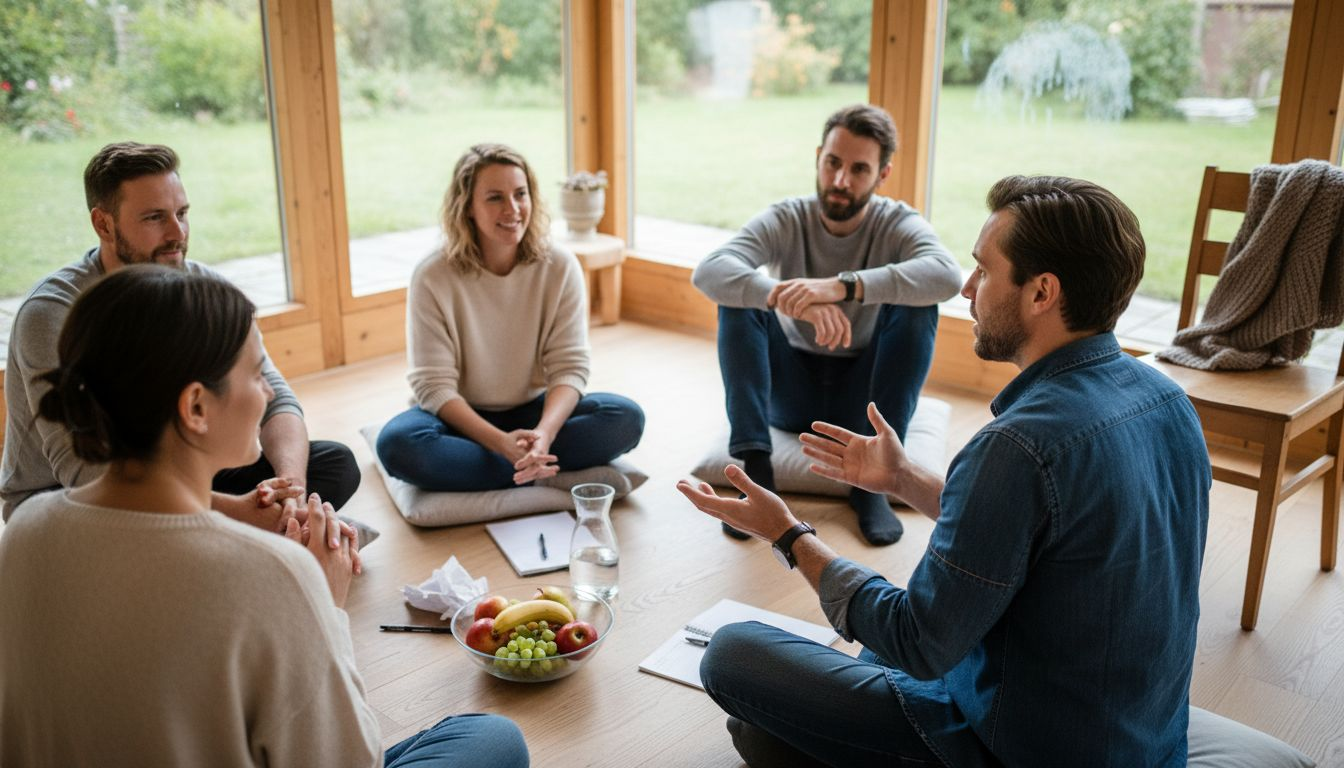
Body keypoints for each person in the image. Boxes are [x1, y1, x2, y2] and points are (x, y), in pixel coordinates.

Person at [678, 176, 1212, 766]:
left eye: (984, 270)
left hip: (1010, 742)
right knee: (770, 724)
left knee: (732, 655)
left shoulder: (1018, 444)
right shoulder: (1170, 401)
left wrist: (788, 534)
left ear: (1041, 293)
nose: (966, 288)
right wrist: (904, 479)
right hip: (1140, 743)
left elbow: (918, 643)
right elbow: (1040, 534)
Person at [0, 265, 529, 767]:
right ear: (195, 408)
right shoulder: (274, 575)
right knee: (493, 739)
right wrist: (325, 606)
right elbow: (344, 761)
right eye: (256, 374)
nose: (270, 391)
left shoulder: (26, 530)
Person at [1, 142, 362, 532]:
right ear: (103, 224)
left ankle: (245, 535)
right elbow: (81, 470)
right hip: (72, 501)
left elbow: (275, 396)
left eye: (182, 213)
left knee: (333, 464)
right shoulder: (51, 314)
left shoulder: (203, 286)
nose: (178, 233)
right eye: (155, 217)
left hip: (180, 472)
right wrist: (235, 511)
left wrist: (290, 495)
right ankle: (244, 538)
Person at [691, 104, 961, 545]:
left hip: (865, 402)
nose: (840, 181)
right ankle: (756, 475)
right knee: (737, 298)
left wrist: (841, 287)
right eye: (833, 163)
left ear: (883, 174)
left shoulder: (896, 222)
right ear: (818, 157)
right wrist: (792, 300)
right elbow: (710, 270)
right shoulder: (787, 217)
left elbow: (947, 276)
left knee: (919, 306)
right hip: (789, 391)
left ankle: (874, 481)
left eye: (858, 169)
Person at [376, 143, 644, 491]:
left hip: (535, 413)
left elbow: (569, 366)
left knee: (625, 419)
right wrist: (499, 443)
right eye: (494, 198)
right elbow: (434, 386)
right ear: (468, 207)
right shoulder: (433, 275)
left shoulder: (560, 267)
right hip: (463, 418)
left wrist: (545, 435)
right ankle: (531, 470)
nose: (513, 209)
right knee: (398, 444)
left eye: (521, 194)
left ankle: (515, 464)